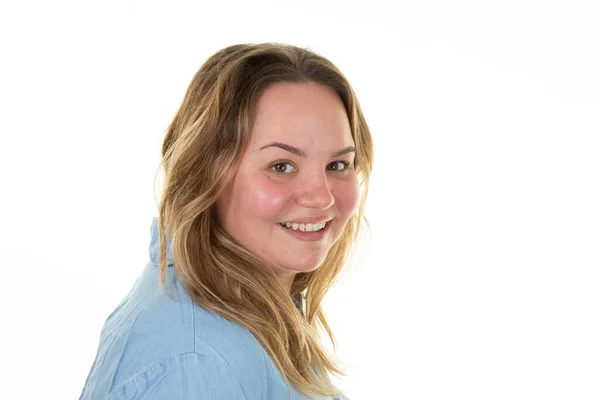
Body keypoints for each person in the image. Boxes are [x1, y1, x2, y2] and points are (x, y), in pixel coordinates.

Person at [79, 42, 374, 400]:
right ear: (206, 174)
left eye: (338, 165)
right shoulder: (199, 363)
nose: (322, 197)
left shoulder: (254, 308)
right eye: (281, 167)